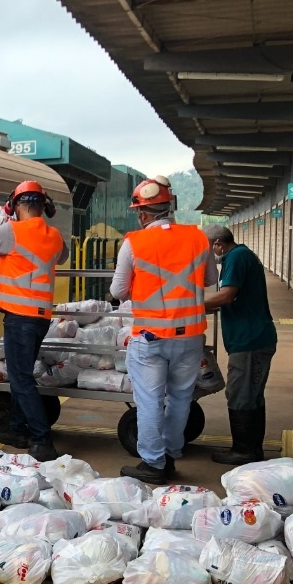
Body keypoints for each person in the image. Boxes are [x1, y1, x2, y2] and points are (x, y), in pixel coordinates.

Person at [110, 175, 217, 483]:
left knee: (150, 402)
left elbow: (118, 291)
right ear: (171, 207)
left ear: (142, 213)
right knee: (181, 398)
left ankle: (154, 463)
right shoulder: (198, 237)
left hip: (151, 338)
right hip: (190, 336)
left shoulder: (134, 242)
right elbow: (210, 280)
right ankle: (170, 453)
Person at [0, 180, 69, 462]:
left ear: (15, 206)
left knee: (21, 378)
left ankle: (42, 439)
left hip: (19, 317)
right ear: (44, 206)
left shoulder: (11, 231)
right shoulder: (54, 235)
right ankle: (16, 429)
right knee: (21, 374)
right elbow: (62, 256)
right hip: (40, 317)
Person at [202, 225, 276, 465]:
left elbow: (227, 295)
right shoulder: (239, 256)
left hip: (250, 341)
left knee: (241, 394)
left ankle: (244, 451)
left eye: (208, 249)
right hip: (250, 338)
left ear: (218, 244)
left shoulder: (236, 257)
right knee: (250, 394)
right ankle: (251, 449)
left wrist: (190, 306)